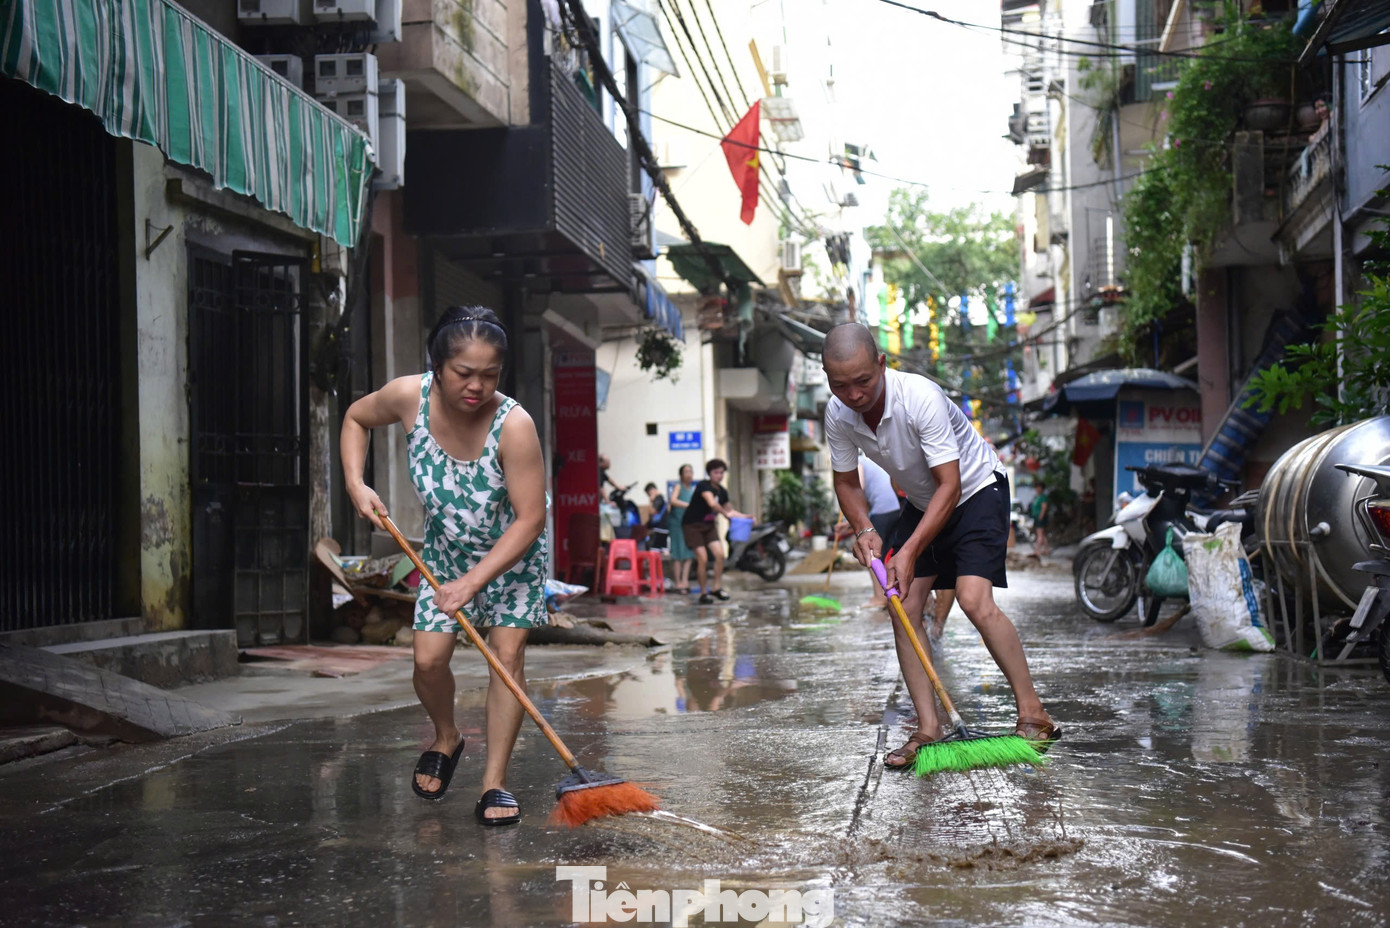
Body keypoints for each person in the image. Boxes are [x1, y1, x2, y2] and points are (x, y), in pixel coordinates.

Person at [340, 305, 548, 825]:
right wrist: (355, 482)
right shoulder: (409, 397)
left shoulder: (514, 426)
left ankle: (494, 782)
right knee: (429, 661)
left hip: (510, 559)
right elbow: (355, 418)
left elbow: (530, 520)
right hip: (445, 551)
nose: (476, 386)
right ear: (437, 366)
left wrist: (473, 583)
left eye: (489, 375)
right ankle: (447, 736)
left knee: (506, 658)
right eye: (463, 373)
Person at [820, 323, 1057, 771]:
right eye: (840, 385)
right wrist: (863, 527)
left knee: (972, 598)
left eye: (863, 382)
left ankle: (1033, 713)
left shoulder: (920, 398)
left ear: (882, 365)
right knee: (903, 605)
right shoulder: (837, 414)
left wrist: (907, 551)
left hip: (973, 491)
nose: (852, 395)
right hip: (925, 499)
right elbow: (846, 481)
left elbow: (950, 485)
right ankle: (928, 728)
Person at [682, 458, 752, 605]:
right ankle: (703, 593)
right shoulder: (703, 486)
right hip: (692, 526)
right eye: (716, 472)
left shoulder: (722, 492)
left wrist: (746, 517)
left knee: (720, 555)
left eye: (721, 473)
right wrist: (726, 514)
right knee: (703, 558)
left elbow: (729, 510)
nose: (719, 475)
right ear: (710, 473)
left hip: (709, 526)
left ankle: (716, 588)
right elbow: (712, 503)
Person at [860, 453, 902, 608]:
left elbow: (859, 487)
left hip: (882, 510)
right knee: (889, 554)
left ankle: (880, 596)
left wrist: (849, 521)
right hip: (898, 507)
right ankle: (895, 593)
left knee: (871, 553)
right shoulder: (876, 461)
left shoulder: (859, 462)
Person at [667, 464, 697, 593]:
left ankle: (685, 581)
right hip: (677, 523)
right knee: (678, 553)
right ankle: (678, 582)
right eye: (686, 471)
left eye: (690, 471)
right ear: (681, 475)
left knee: (689, 553)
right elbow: (673, 500)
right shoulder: (678, 487)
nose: (689, 474)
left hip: (688, 523)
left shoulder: (692, 489)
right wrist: (688, 505)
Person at [644, 482, 670, 551]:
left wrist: (650, 500)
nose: (649, 496)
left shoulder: (658, 499)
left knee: (654, 550)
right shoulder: (661, 498)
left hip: (660, 528)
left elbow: (651, 511)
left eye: (648, 494)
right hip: (663, 527)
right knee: (663, 549)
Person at [1030, 479, 1051, 558]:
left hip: (1040, 517)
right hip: (1037, 517)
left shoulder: (1043, 497)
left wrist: (1041, 516)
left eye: (1039, 488)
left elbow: (1044, 507)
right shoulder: (1037, 497)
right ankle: (1046, 549)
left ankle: (1037, 551)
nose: (1037, 489)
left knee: (1040, 534)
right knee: (1043, 534)